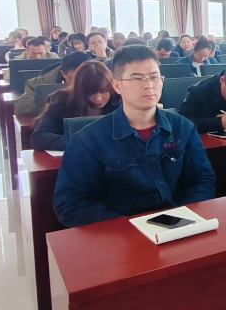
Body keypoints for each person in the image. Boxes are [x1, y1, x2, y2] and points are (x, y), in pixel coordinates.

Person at [52, 45, 216, 228]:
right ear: (117, 85)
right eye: (137, 78)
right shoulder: (88, 140)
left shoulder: (183, 128)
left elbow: (203, 180)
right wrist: (130, 227)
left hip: (178, 226)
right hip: (121, 234)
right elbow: (70, 203)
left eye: (154, 77)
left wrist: (181, 218)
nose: (148, 85)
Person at [31, 61, 120, 151]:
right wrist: (81, 142)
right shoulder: (62, 100)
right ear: (80, 90)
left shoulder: (119, 101)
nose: (98, 98)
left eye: (103, 91)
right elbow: (38, 137)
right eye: (91, 93)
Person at [14, 52, 92, 116]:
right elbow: (20, 108)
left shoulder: (97, 77)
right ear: (63, 74)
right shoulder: (38, 83)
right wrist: (54, 102)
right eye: (74, 78)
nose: (79, 82)